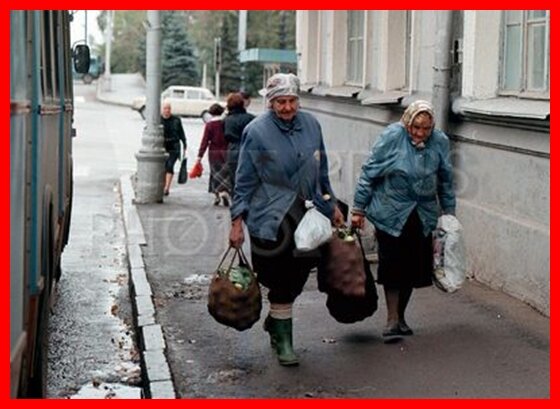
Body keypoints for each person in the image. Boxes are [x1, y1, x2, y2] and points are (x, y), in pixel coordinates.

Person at [229, 73, 345, 366]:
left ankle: (276, 320)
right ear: (270, 102)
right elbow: (243, 180)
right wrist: (236, 221)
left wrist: (331, 206)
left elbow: (322, 171)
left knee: (297, 277)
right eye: (280, 102)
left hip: (306, 213)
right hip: (271, 215)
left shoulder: (312, 125)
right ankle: (285, 342)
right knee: (277, 278)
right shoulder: (256, 131)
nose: (287, 107)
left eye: (292, 100)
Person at [350, 100, 456, 343]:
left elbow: (446, 179)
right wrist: (358, 209)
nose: (420, 133)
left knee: (412, 267)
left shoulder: (439, 141)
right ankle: (391, 319)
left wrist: (449, 213)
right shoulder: (392, 137)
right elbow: (369, 173)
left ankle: (401, 317)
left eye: (426, 128)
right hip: (391, 210)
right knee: (392, 264)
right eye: (415, 127)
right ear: (407, 122)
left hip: (422, 212)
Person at [195, 103, 230, 206]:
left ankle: (217, 195)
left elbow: (205, 141)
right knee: (225, 173)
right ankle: (225, 191)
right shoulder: (225, 123)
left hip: (213, 152)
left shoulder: (209, 125)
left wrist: (199, 156)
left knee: (214, 174)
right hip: (226, 151)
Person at [223, 92, 255, 194]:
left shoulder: (226, 120)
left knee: (234, 180)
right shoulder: (251, 119)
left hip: (232, 151)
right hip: (249, 150)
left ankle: (236, 203)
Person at [161, 101, 187, 196]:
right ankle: (162, 185)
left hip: (174, 146)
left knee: (170, 165)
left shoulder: (176, 120)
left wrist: (185, 144)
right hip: (162, 146)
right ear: (161, 109)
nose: (167, 110)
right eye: (165, 108)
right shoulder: (158, 120)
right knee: (163, 167)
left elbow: (181, 133)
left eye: (168, 108)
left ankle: (166, 188)